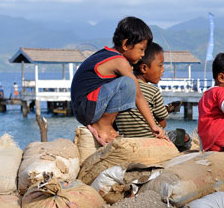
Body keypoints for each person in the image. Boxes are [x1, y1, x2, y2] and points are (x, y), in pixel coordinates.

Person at [71, 16, 166, 146]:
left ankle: (105, 124)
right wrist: (153, 126)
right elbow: (138, 94)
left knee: (126, 85)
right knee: (129, 83)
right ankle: (103, 125)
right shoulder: (119, 61)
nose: (143, 55)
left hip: (83, 108)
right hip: (87, 107)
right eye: (141, 49)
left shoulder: (105, 54)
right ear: (126, 45)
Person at [114, 42, 191, 151]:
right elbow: (162, 124)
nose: (163, 70)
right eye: (160, 65)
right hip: (151, 140)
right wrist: (168, 110)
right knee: (184, 137)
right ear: (144, 68)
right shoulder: (153, 91)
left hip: (128, 140)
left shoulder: (120, 87)